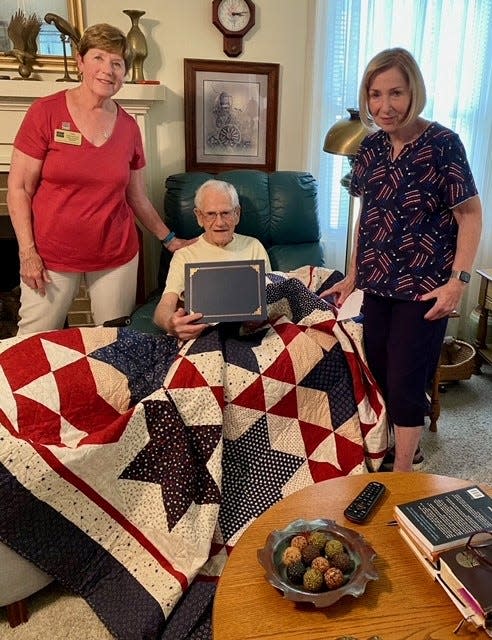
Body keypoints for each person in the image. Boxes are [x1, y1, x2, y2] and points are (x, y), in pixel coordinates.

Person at [322, 48, 482, 472]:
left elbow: (470, 214)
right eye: (375, 94)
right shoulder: (370, 147)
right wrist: (353, 275)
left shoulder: (443, 144)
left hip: (423, 290)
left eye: (395, 93)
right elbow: (366, 216)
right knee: (381, 373)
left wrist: (458, 282)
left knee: (407, 383)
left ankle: (403, 473)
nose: (384, 105)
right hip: (377, 285)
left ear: (414, 92)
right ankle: (396, 447)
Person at [7, 23, 193, 335]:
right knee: (34, 343)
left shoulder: (129, 127)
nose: (107, 70)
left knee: (113, 340)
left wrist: (169, 238)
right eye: (98, 58)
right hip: (50, 255)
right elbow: (19, 188)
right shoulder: (45, 113)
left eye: (117, 63)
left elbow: (137, 197)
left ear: (124, 72)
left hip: (115, 255)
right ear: (80, 61)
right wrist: (27, 252)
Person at [153, 179, 271, 341]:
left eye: (226, 213)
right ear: (199, 216)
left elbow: (271, 296)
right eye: (210, 214)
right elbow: (164, 307)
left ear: (237, 214)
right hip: (201, 336)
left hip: (248, 336)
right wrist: (170, 324)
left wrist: (261, 317)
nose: (219, 222)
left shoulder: (253, 246)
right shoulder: (184, 255)